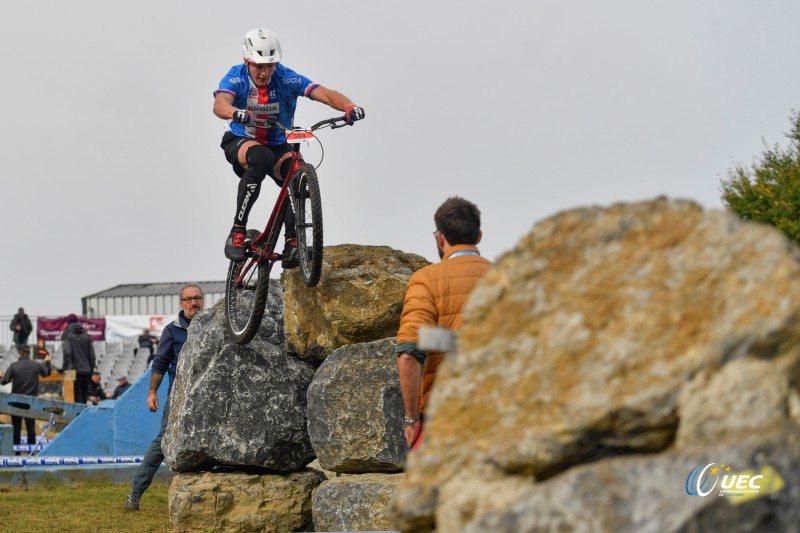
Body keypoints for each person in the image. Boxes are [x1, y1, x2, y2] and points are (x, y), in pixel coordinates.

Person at [213, 28, 365, 265]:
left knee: (294, 175)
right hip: (240, 140)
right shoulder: (236, 77)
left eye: (270, 65)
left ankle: (293, 242)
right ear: (247, 61)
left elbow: (324, 93)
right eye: (258, 66)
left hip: (277, 144)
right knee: (261, 157)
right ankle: (237, 231)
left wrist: (348, 106)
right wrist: (235, 112)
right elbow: (220, 104)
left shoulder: (286, 78)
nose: (264, 72)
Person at [395, 197, 492, 450]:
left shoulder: (426, 280)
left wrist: (412, 419)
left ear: (440, 238)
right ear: (478, 236)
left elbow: (408, 354)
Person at [125, 283, 204, 511]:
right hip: (178, 398)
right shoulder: (172, 330)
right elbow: (159, 364)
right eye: (188, 299)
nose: (193, 303)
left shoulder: (213, 325)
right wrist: (152, 392)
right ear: (181, 303)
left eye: (197, 298)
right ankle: (135, 493)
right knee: (162, 442)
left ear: (203, 300)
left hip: (208, 399)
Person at [0, 346, 52, 451]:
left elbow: (4, 381)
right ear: (29, 353)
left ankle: (17, 453)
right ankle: (31, 452)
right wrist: (47, 362)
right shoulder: (36, 365)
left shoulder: (13, 366)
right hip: (31, 402)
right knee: (30, 427)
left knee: (16, 428)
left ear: (19, 353)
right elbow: (46, 373)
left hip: (15, 401)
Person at [60, 314, 96, 405]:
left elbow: (67, 353)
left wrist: (64, 368)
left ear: (68, 322)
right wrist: (91, 370)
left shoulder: (66, 334)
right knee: (84, 399)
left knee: (76, 400)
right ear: (77, 322)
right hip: (86, 371)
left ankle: (78, 418)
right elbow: (92, 355)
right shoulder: (86, 334)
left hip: (74, 372)